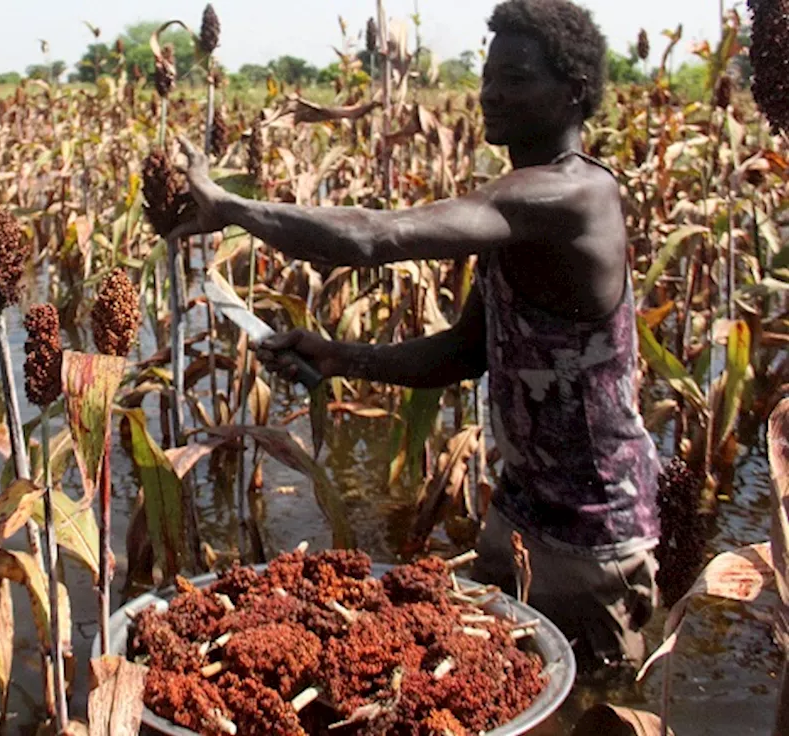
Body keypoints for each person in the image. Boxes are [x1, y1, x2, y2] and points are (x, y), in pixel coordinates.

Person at [170, 0, 660, 673]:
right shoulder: (517, 204)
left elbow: (377, 236)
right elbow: (465, 353)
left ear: (573, 93)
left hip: (594, 535)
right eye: (488, 76)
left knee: (591, 708)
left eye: (515, 78)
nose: (490, 93)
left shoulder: (570, 198)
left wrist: (231, 208)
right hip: (518, 512)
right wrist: (340, 357)